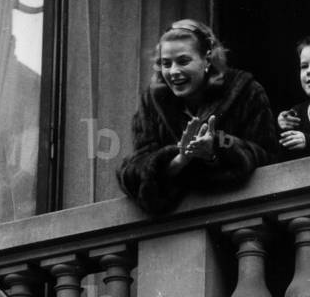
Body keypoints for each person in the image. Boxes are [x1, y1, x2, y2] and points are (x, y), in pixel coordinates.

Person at [117, 18, 279, 214]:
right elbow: (132, 172)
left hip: (237, 213)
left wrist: (216, 148)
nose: (173, 71)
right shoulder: (152, 102)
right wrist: (179, 160)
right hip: (177, 221)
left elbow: (268, 158)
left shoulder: (246, 91)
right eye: (166, 63)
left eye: (183, 61)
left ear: (207, 60)